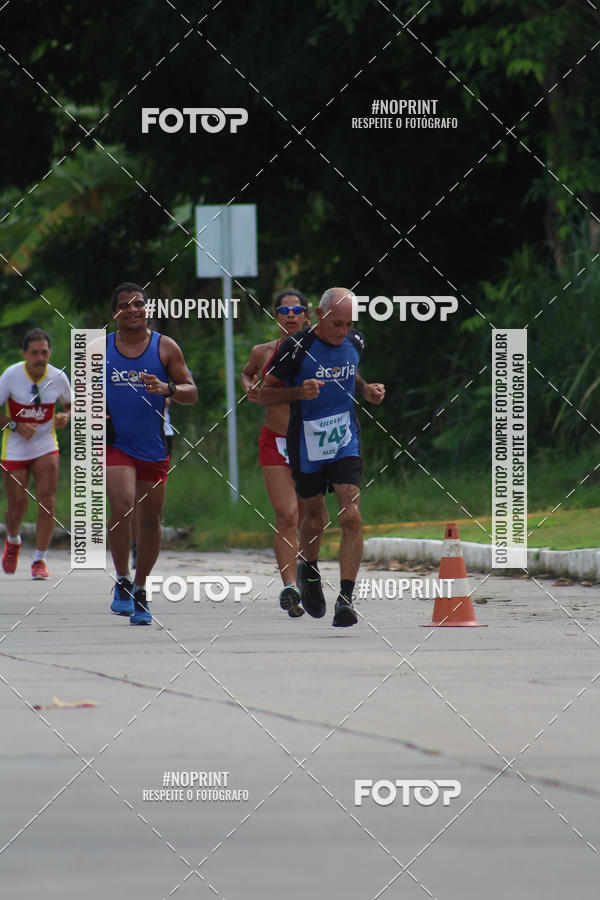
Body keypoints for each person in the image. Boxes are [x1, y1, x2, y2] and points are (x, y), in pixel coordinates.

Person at [260, 287, 385, 627]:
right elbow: (264, 393)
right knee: (316, 518)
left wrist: (365, 389)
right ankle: (310, 569)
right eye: (336, 323)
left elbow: (349, 368)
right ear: (319, 314)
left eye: (349, 324)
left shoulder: (356, 341)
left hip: (345, 440)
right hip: (307, 444)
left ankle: (346, 598)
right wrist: (298, 392)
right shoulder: (295, 347)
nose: (342, 331)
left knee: (351, 515)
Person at [106, 282, 197, 625]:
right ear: (114, 313)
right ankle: (122, 580)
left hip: (154, 445)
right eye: (124, 305)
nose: (132, 309)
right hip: (115, 444)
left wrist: (167, 388)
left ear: (147, 309)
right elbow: (79, 396)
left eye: (138, 304)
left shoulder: (165, 347)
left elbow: (191, 392)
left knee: (150, 521)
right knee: (122, 504)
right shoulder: (100, 349)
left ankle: (141, 588)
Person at [241, 289, 309, 618]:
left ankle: (306, 570)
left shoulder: (319, 352)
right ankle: (290, 587)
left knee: (311, 518)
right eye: (284, 310)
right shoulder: (263, 351)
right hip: (275, 442)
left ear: (308, 315)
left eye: (297, 310)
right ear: (275, 315)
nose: (290, 315)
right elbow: (247, 372)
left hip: (312, 443)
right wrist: (248, 387)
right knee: (286, 514)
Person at [0, 328, 71, 579]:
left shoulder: (58, 377)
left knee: (47, 502)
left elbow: (72, 405)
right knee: (17, 505)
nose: (40, 358)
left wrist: (66, 417)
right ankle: (13, 540)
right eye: (34, 353)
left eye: (44, 352)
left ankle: (40, 559)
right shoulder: (11, 376)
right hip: (15, 446)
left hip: (45, 445)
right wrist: (15, 424)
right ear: (24, 354)